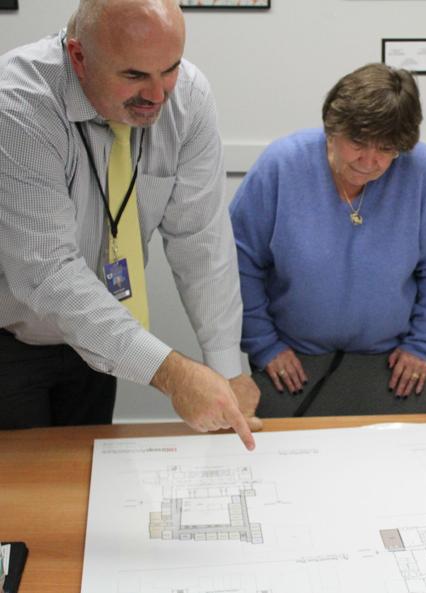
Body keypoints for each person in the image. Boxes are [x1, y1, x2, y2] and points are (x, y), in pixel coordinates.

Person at [0, 0, 261, 448]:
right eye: (135, 75)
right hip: (10, 337)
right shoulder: (18, 105)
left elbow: (201, 241)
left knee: (87, 471)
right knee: (23, 481)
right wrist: (173, 374)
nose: (158, 95)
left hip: (100, 341)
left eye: (170, 68)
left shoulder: (189, 98)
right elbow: (48, 273)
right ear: (79, 57)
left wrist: (226, 370)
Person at [230, 63, 426, 417]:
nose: (369, 161)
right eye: (357, 143)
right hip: (292, 361)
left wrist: (424, 345)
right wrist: (263, 344)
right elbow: (239, 262)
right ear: (332, 128)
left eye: (386, 149)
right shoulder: (281, 165)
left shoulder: (422, 171)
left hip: (387, 364)